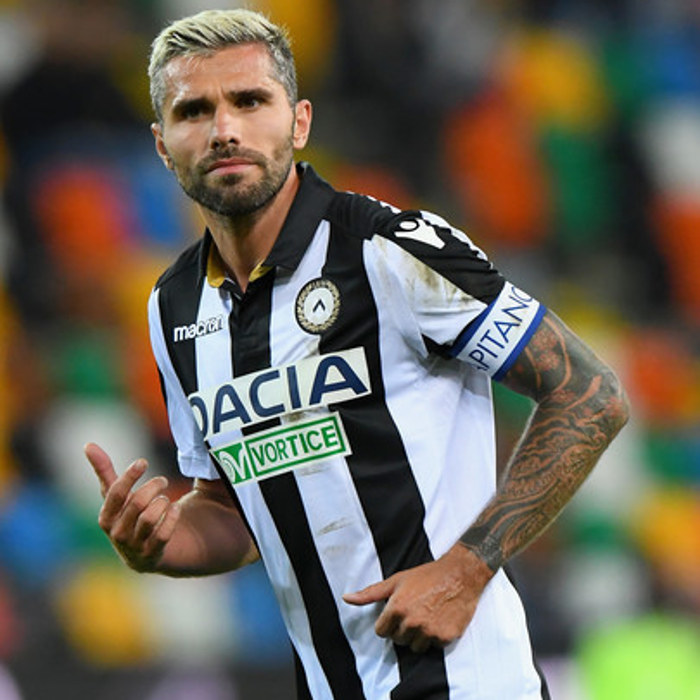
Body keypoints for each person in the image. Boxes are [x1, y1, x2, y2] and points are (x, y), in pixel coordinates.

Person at [84, 9, 629, 699]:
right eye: (194, 110)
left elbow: (590, 393)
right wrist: (164, 546)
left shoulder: (390, 252)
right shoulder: (174, 308)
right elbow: (233, 508)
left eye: (250, 101)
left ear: (299, 122)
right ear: (162, 145)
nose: (224, 129)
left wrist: (466, 570)